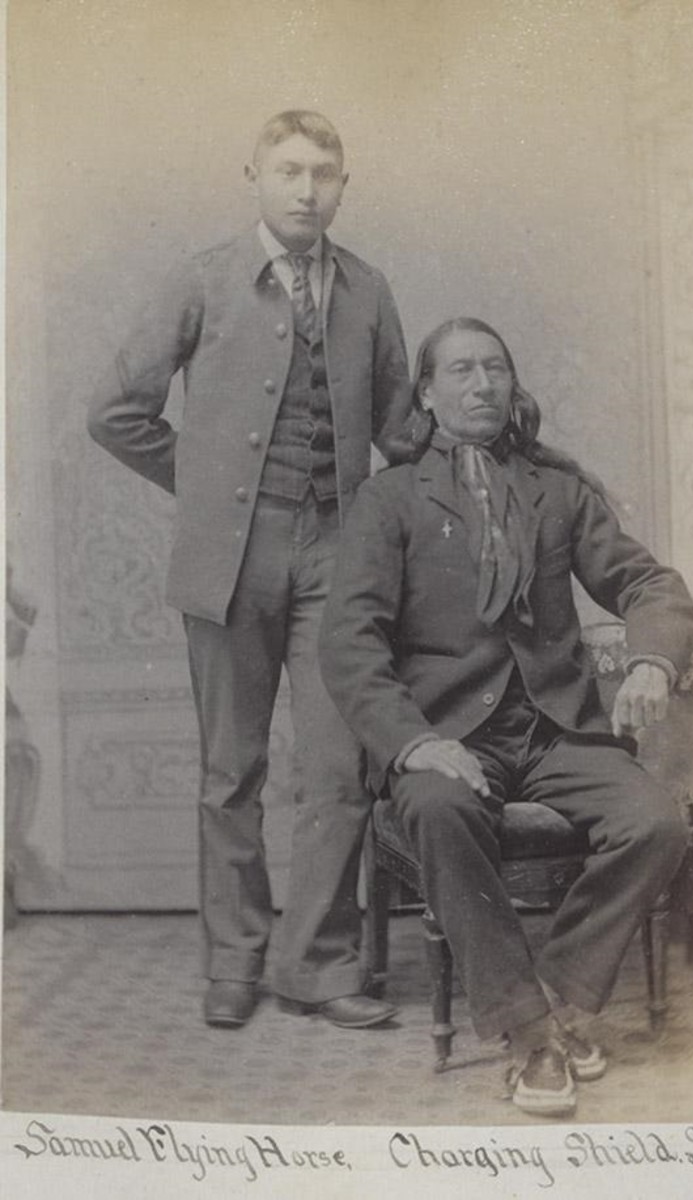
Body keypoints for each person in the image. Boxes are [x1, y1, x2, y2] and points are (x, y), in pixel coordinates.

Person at [319, 317, 693, 1115]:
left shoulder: (555, 491)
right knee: (437, 806)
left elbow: (648, 585)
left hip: (554, 729)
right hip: (446, 736)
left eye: (494, 369)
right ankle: (530, 1038)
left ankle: (558, 1000)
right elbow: (350, 644)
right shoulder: (387, 501)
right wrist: (414, 743)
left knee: (655, 823)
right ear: (426, 393)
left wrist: (651, 660)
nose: (482, 385)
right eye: (459, 371)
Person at [87, 110, 411, 1030]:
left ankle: (317, 962)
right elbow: (116, 410)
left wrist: (476, 440)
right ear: (255, 177)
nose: (307, 190)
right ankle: (233, 960)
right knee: (230, 771)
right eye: (289, 171)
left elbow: (397, 429)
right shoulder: (203, 279)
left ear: (345, 185)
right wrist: (200, 484)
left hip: (337, 560)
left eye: (325, 173)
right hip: (227, 559)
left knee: (335, 769)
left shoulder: (369, 289)